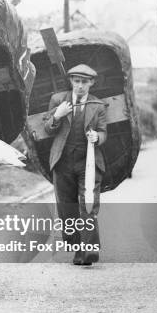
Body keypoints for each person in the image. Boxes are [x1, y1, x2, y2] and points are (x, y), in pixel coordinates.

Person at [44, 64, 107, 265]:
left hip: (88, 163)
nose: (80, 86)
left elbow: (104, 131)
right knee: (66, 208)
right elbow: (48, 128)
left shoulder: (98, 105)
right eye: (77, 81)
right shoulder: (58, 100)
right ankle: (77, 250)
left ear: (91, 83)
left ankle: (89, 249)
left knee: (87, 205)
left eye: (84, 82)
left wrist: (98, 136)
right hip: (62, 162)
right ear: (71, 81)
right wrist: (57, 115)